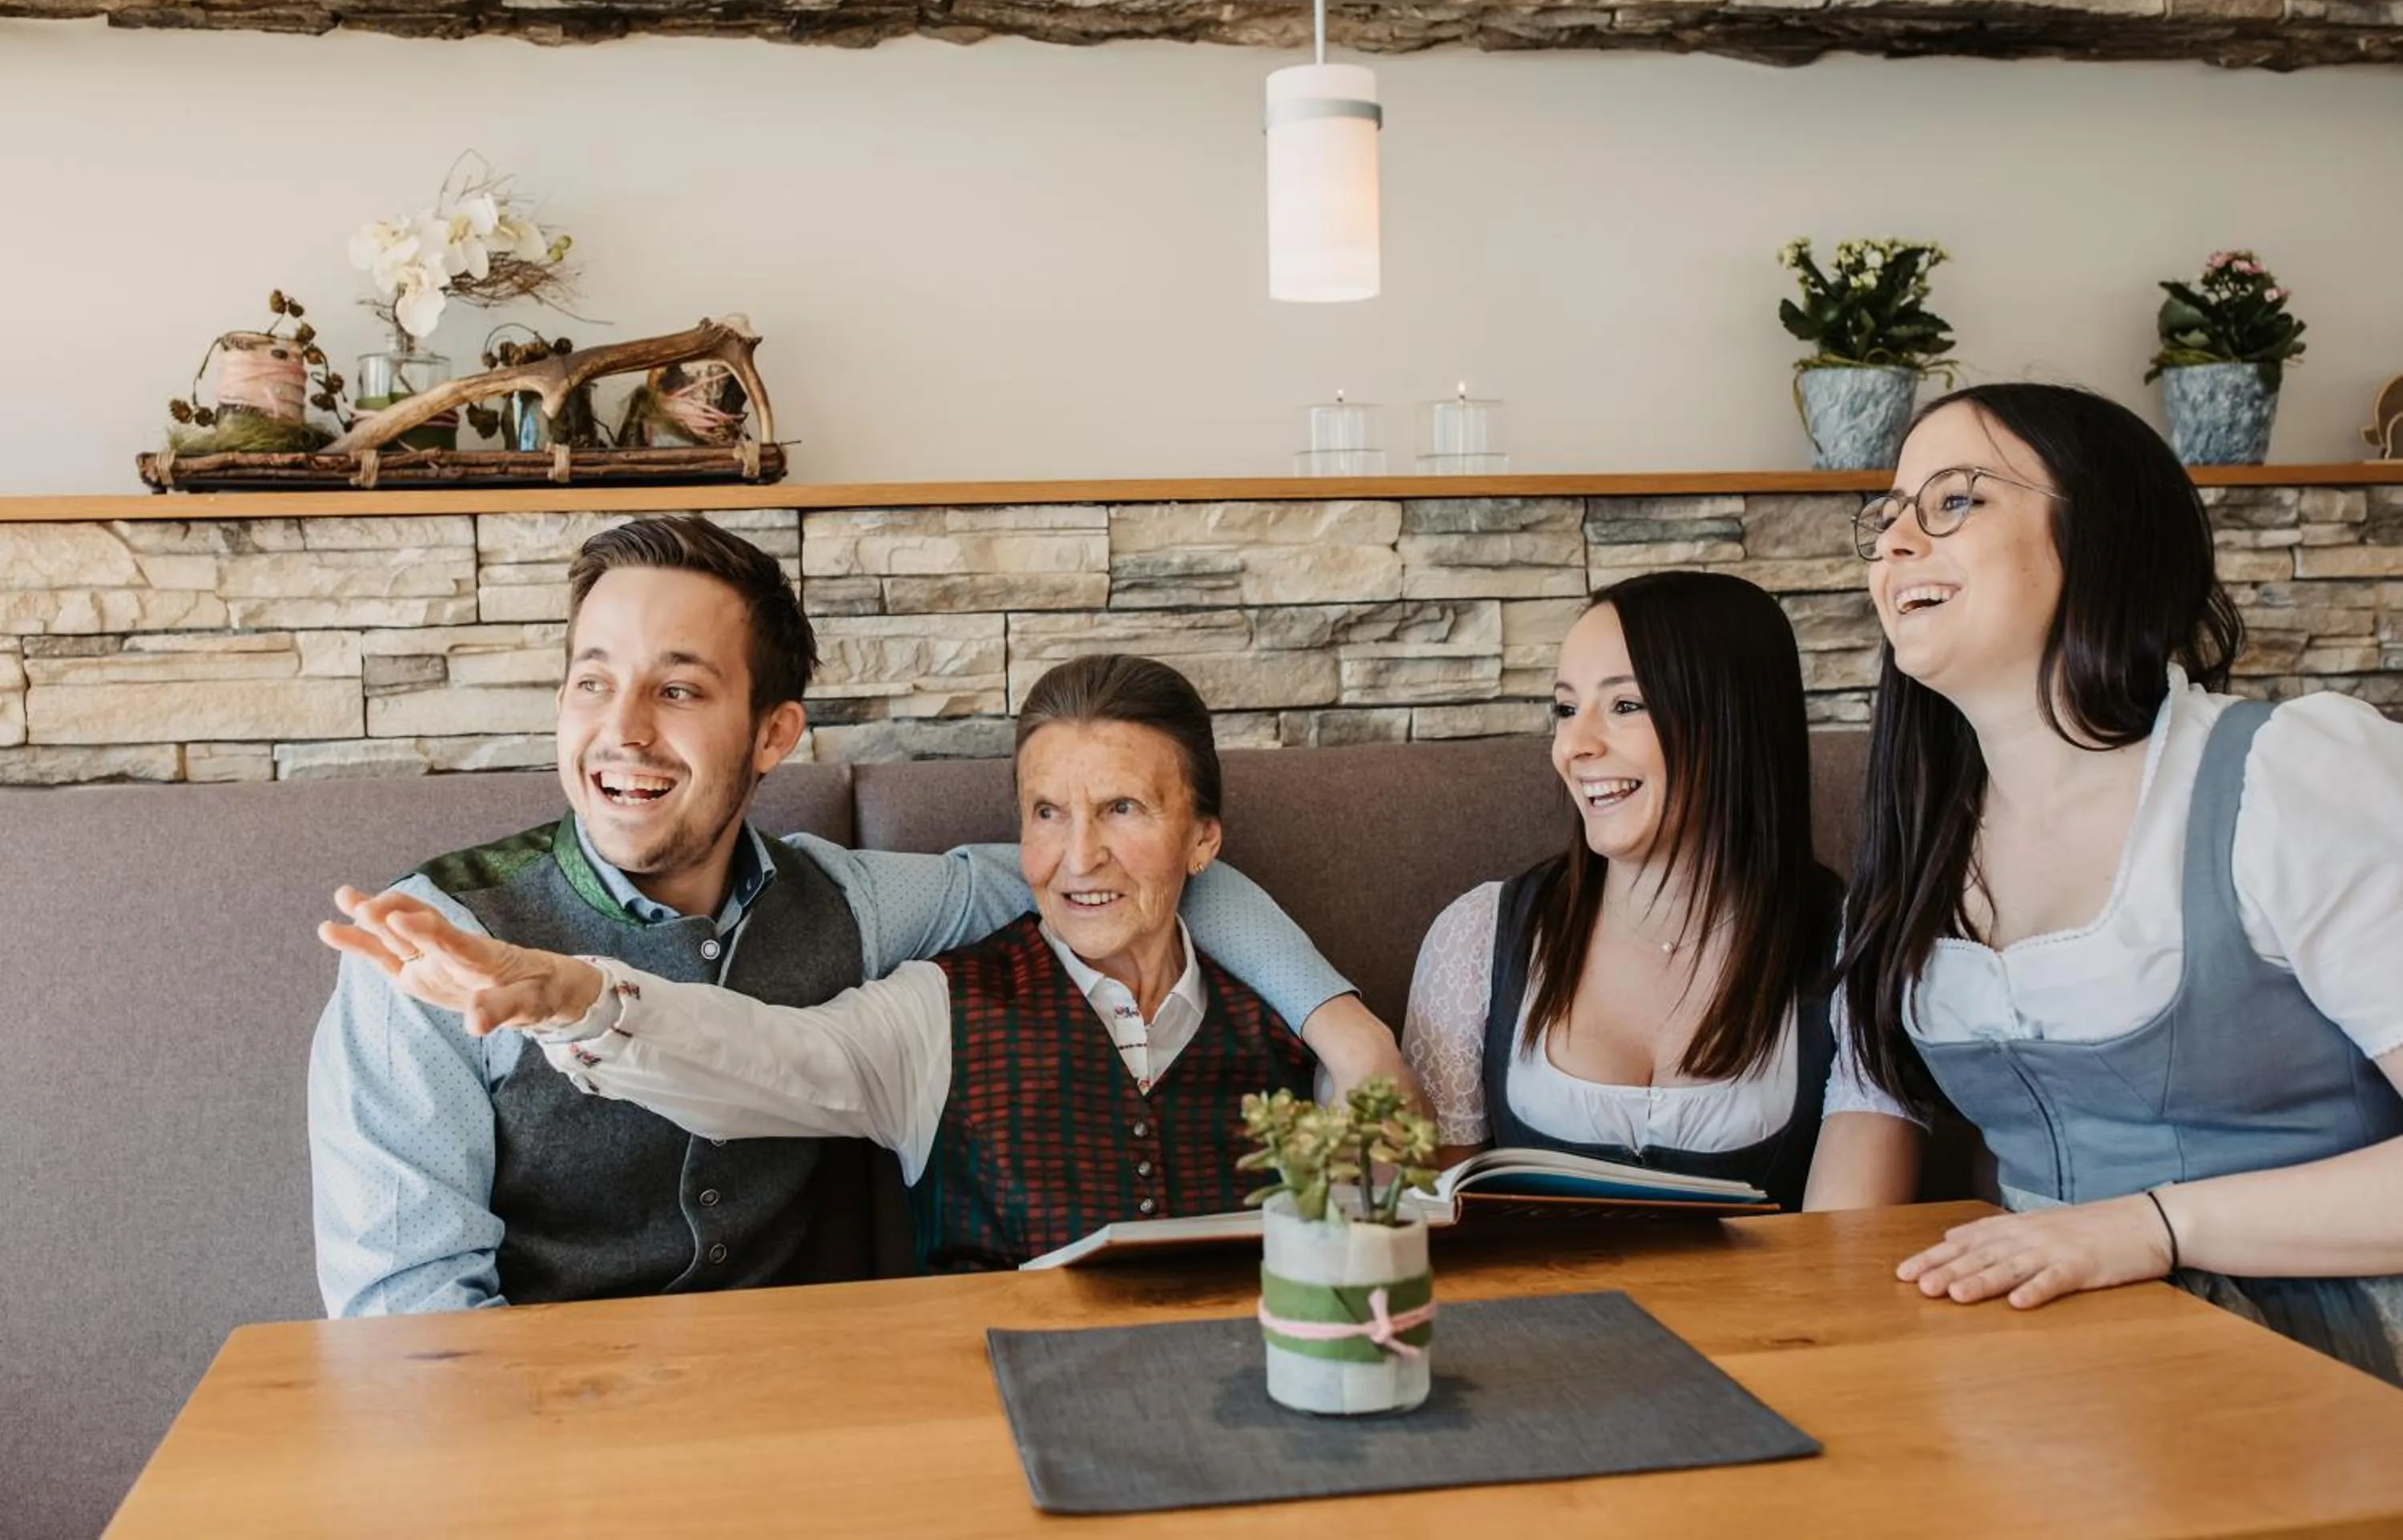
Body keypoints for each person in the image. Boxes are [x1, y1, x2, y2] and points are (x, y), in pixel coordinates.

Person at [308, 519, 1402, 1314]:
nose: (623, 730)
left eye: (679, 689)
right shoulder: (428, 944)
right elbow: (410, 1324)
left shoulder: (855, 903)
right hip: (543, 1426)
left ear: (774, 734)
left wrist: (1345, 1028)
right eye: (593, 682)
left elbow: (1115, 889)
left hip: (800, 1406)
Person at [1804, 382, 2403, 1383]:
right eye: (1889, 514)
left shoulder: (2288, 776)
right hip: (2047, 1364)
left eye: (1954, 501)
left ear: (2102, 534)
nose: (1895, 544)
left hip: (2329, 1367)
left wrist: (2155, 1224)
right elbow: (1868, 1119)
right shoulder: (1920, 839)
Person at [1402, 571, 1849, 1210]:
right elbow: (1432, 1218)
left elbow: (1856, 1244)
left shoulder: (1850, 948)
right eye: (1565, 709)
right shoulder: (1479, 939)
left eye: (1625, 706)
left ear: (1733, 721)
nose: (1575, 746)